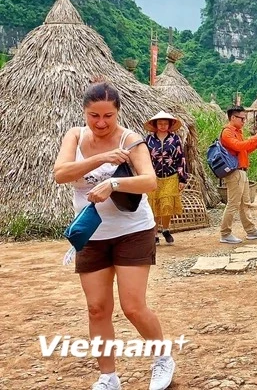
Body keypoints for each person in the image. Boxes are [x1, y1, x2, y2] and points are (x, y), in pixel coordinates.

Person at [53, 80, 175, 390]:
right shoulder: (75, 136)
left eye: (108, 115)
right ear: (84, 113)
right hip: (92, 234)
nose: (101, 123)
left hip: (132, 230)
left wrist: (114, 184)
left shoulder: (131, 140)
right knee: (97, 307)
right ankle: (108, 377)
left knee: (133, 306)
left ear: (118, 112)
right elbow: (60, 173)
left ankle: (162, 358)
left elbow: (149, 181)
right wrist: (100, 159)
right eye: (94, 115)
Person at [219, 106, 257, 244]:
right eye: (242, 118)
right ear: (233, 118)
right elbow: (239, 146)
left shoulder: (237, 132)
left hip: (241, 171)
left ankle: (251, 231)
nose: (244, 121)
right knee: (233, 203)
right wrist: (255, 138)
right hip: (235, 171)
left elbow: (245, 149)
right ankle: (225, 233)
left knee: (245, 203)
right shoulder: (227, 132)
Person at [143, 111, 187, 245]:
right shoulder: (149, 140)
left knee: (167, 205)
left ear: (169, 125)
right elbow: (144, 159)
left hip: (171, 176)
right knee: (154, 205)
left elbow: (181, 159)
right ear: (155, 125)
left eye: (165, 123)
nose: (162, 126)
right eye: (160, 123)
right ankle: (154, 233)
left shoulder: (175, 140)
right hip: (153, 177)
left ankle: (166, 229)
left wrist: (182, 178)